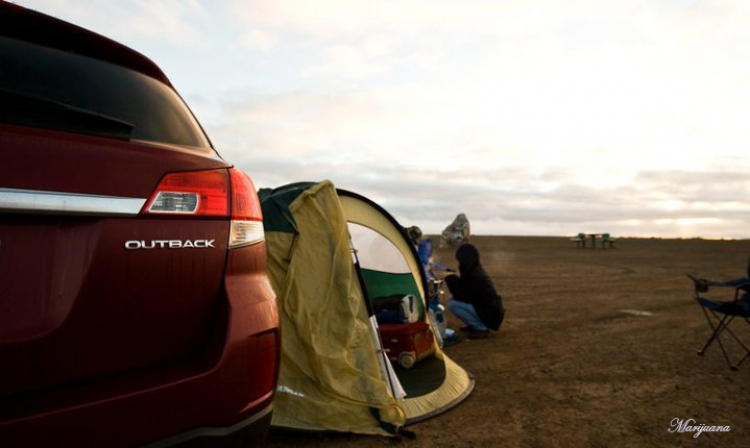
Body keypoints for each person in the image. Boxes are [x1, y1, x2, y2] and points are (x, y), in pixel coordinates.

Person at [444, 243, 505, 339]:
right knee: (451, 300)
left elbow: (462, 295)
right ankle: (474, 325)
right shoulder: (473, 269)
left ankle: (481, 329)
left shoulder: (474, 275)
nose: (460, 263)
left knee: (453, 305)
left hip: (491, 313)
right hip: (488, 309)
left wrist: (451, 280)